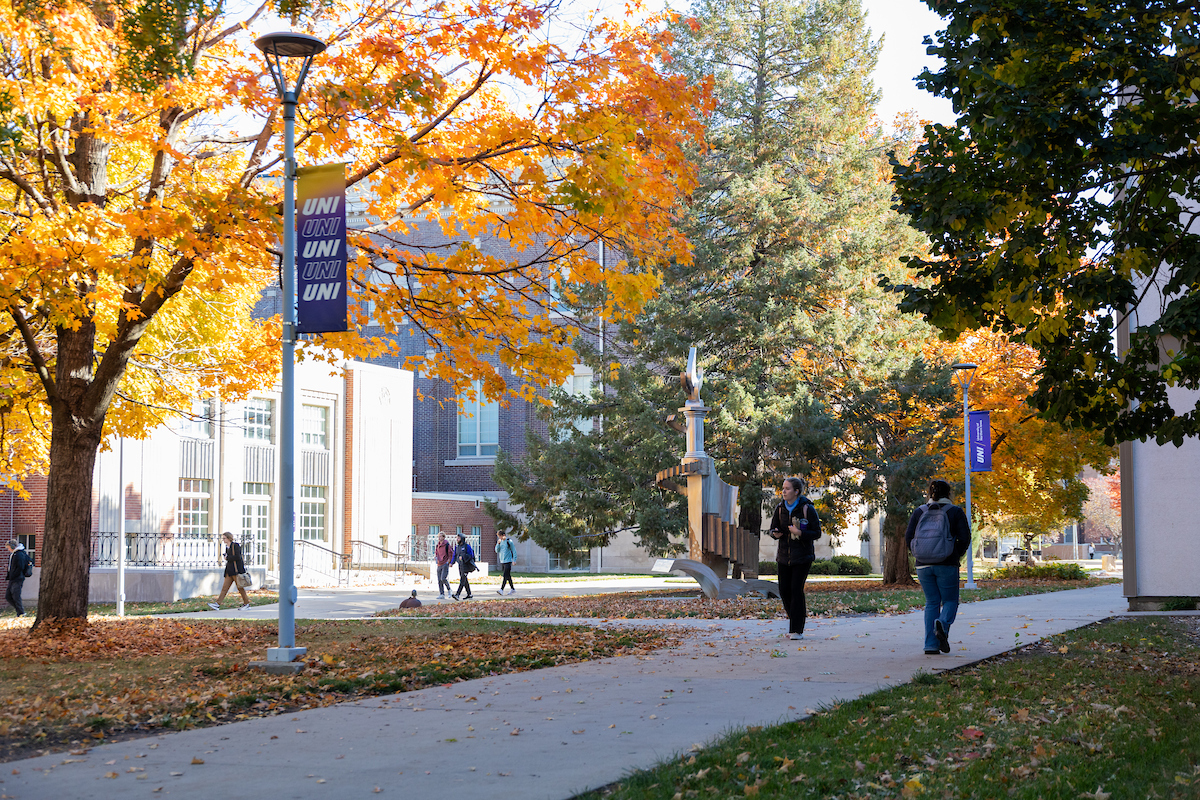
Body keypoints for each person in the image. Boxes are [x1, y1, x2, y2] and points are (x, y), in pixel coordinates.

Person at [905, 479, 972, 655]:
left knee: (932, 602)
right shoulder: (955, 511)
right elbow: (965, 538)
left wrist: (919, 554)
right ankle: (942, 623)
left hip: (923, 565)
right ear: (949, 493)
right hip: (946, 563)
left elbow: (908, 537)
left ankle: (930, 645)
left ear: (930, 493)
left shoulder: (919, 511)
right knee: (950, 601)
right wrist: (955, 554)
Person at [768, 477, 822, 640]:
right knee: (784, 591)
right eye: (783, 488)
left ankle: (796, 630)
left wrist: (800, 533)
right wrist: (775, 533)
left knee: (795, 590)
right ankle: (796, 619)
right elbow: (772, 529)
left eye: (787, 489)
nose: (783, 491)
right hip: (784, 557)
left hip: (802, 557)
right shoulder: (780, 508)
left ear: (796, 491)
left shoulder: (807, 508)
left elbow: (817, 533)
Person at [208, 532, 252, 611]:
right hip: (229, 571)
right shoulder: (227, 547)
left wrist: (227, 557)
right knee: (224, 588)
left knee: (240, 588)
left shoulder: (235, 545)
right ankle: (217, 604)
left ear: (228, 538)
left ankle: (247, 604)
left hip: (236, 571)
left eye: (224, 538)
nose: (223, 540)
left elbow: (238, 557)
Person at [5, 540, 30, 617]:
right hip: (12, 578)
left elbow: (20, 567)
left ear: (13, 546)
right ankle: (19, 611)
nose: (8, 549)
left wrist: (14, 574)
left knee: (16, 596)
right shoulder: (14, 554)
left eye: (8, 548)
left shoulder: (19, 554)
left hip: (17, 578)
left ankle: (21, 613)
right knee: (8, 596)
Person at [451, 533, 476, 600]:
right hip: (460, 565)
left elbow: (471, 555)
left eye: (458, 538)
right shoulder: (457, 547)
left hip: (466, 566)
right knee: (465, 580)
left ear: (462, 539)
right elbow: (454, 555)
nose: (457, 539)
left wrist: (463, 557)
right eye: (457, 538)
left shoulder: (467, 546)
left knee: (462, 580)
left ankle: (457, 594)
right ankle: (469, 594)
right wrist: (452, 563)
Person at [434, 531, 453, 599]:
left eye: (440, 536)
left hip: (445, 563)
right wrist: (435, 557)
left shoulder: (447, 544)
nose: (439, 538)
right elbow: (436, 553)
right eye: (438, 536)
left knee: (443, 578)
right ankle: (441, 594)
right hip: (439, 563)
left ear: (443, 537)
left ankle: (449, 590)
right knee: (439, 580)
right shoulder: (438, 545)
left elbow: (450, 554)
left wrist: (448, 562)